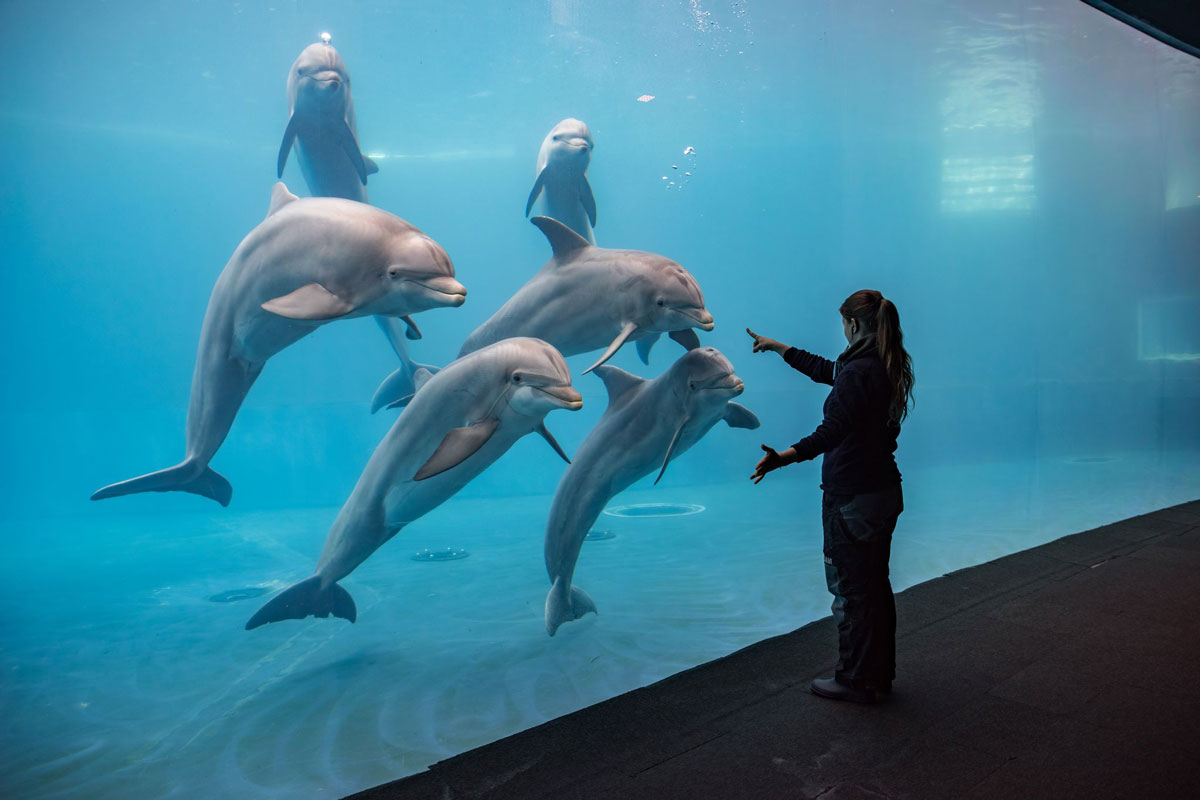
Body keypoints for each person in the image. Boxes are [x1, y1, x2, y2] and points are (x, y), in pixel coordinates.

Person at [747, 289, 913, 704]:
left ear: (853, 325)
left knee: (851, 592)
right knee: (874, 588)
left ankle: (856, 681)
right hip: (880, 492)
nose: (842, 330)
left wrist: (781, 458)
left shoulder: (858, 373)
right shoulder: (882, 363)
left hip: (852, 497)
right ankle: (877, 675)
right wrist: (779, 348)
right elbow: (826, 370)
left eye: (843, 323)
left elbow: (831, 430)